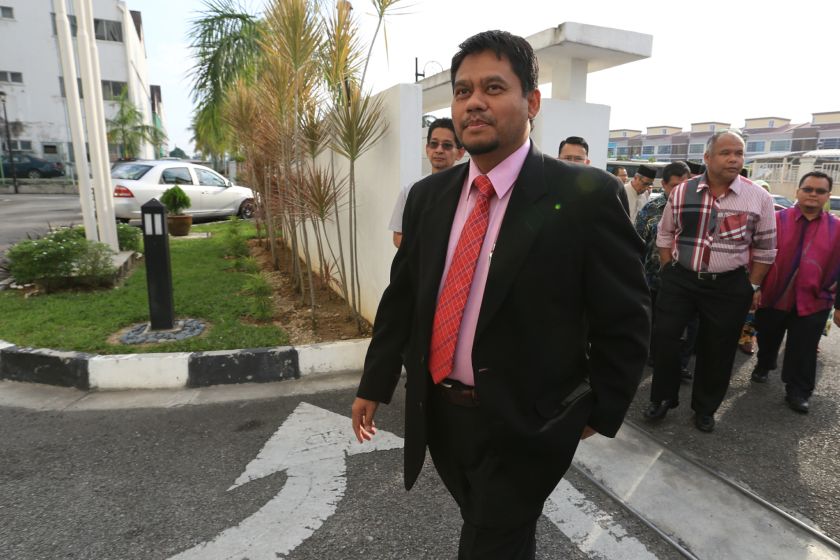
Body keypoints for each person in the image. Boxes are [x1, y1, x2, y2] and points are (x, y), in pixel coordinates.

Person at [351, 30, 650, 559]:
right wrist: (375, 383)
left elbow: (625, 315)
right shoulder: (428, 198)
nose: (474, 102)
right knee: (492, 524)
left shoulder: (584, 197)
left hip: (528, 423)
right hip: (441, 413)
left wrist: (595, 410)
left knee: (490, 538)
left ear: (531, 102)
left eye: (493, 87)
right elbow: (403, 300)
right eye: (462, 91)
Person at [645, 130, 777, 433]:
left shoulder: (758, 198)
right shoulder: (682, 192)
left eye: (739, 153)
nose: (734, 159)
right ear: (707, 157)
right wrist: (668, 268)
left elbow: (766, 249)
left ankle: (704, 408)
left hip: (728, 285)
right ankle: (662, 398)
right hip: (681, 279)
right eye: (725, 152)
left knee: (717, 348)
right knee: (665, 339)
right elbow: (665, 233)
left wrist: (751, 286)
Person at [752, 172, 840, 414]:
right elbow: (756, 253)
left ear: (827, 196)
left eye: (820, 191)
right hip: (774, 295)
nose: (813, 194)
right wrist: (754, 287)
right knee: (767, 336)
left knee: (804, 348)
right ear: (797, 192)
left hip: (815, 300)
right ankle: (764, 363)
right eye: (808, 189)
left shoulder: (837, 229)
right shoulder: (775, 220)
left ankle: (798, 390)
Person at [634, 161, 693, 378]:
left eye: (685, 185)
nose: (681, 191)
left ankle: (681, 363)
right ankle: (653, 355)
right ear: (665, 185)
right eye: (675, 186)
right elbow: (637, 244)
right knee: (656, 323)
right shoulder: (650, 209)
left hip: (689, 281)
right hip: (654, 281)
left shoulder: (698, 209)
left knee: (688, 325)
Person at [389, 118, 465, 248]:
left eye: (447, 145)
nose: (439, 150)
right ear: (427, 149)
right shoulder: (411, 190)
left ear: (460, 153)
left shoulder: (467, 192)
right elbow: (398, 236)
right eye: (434, 144)